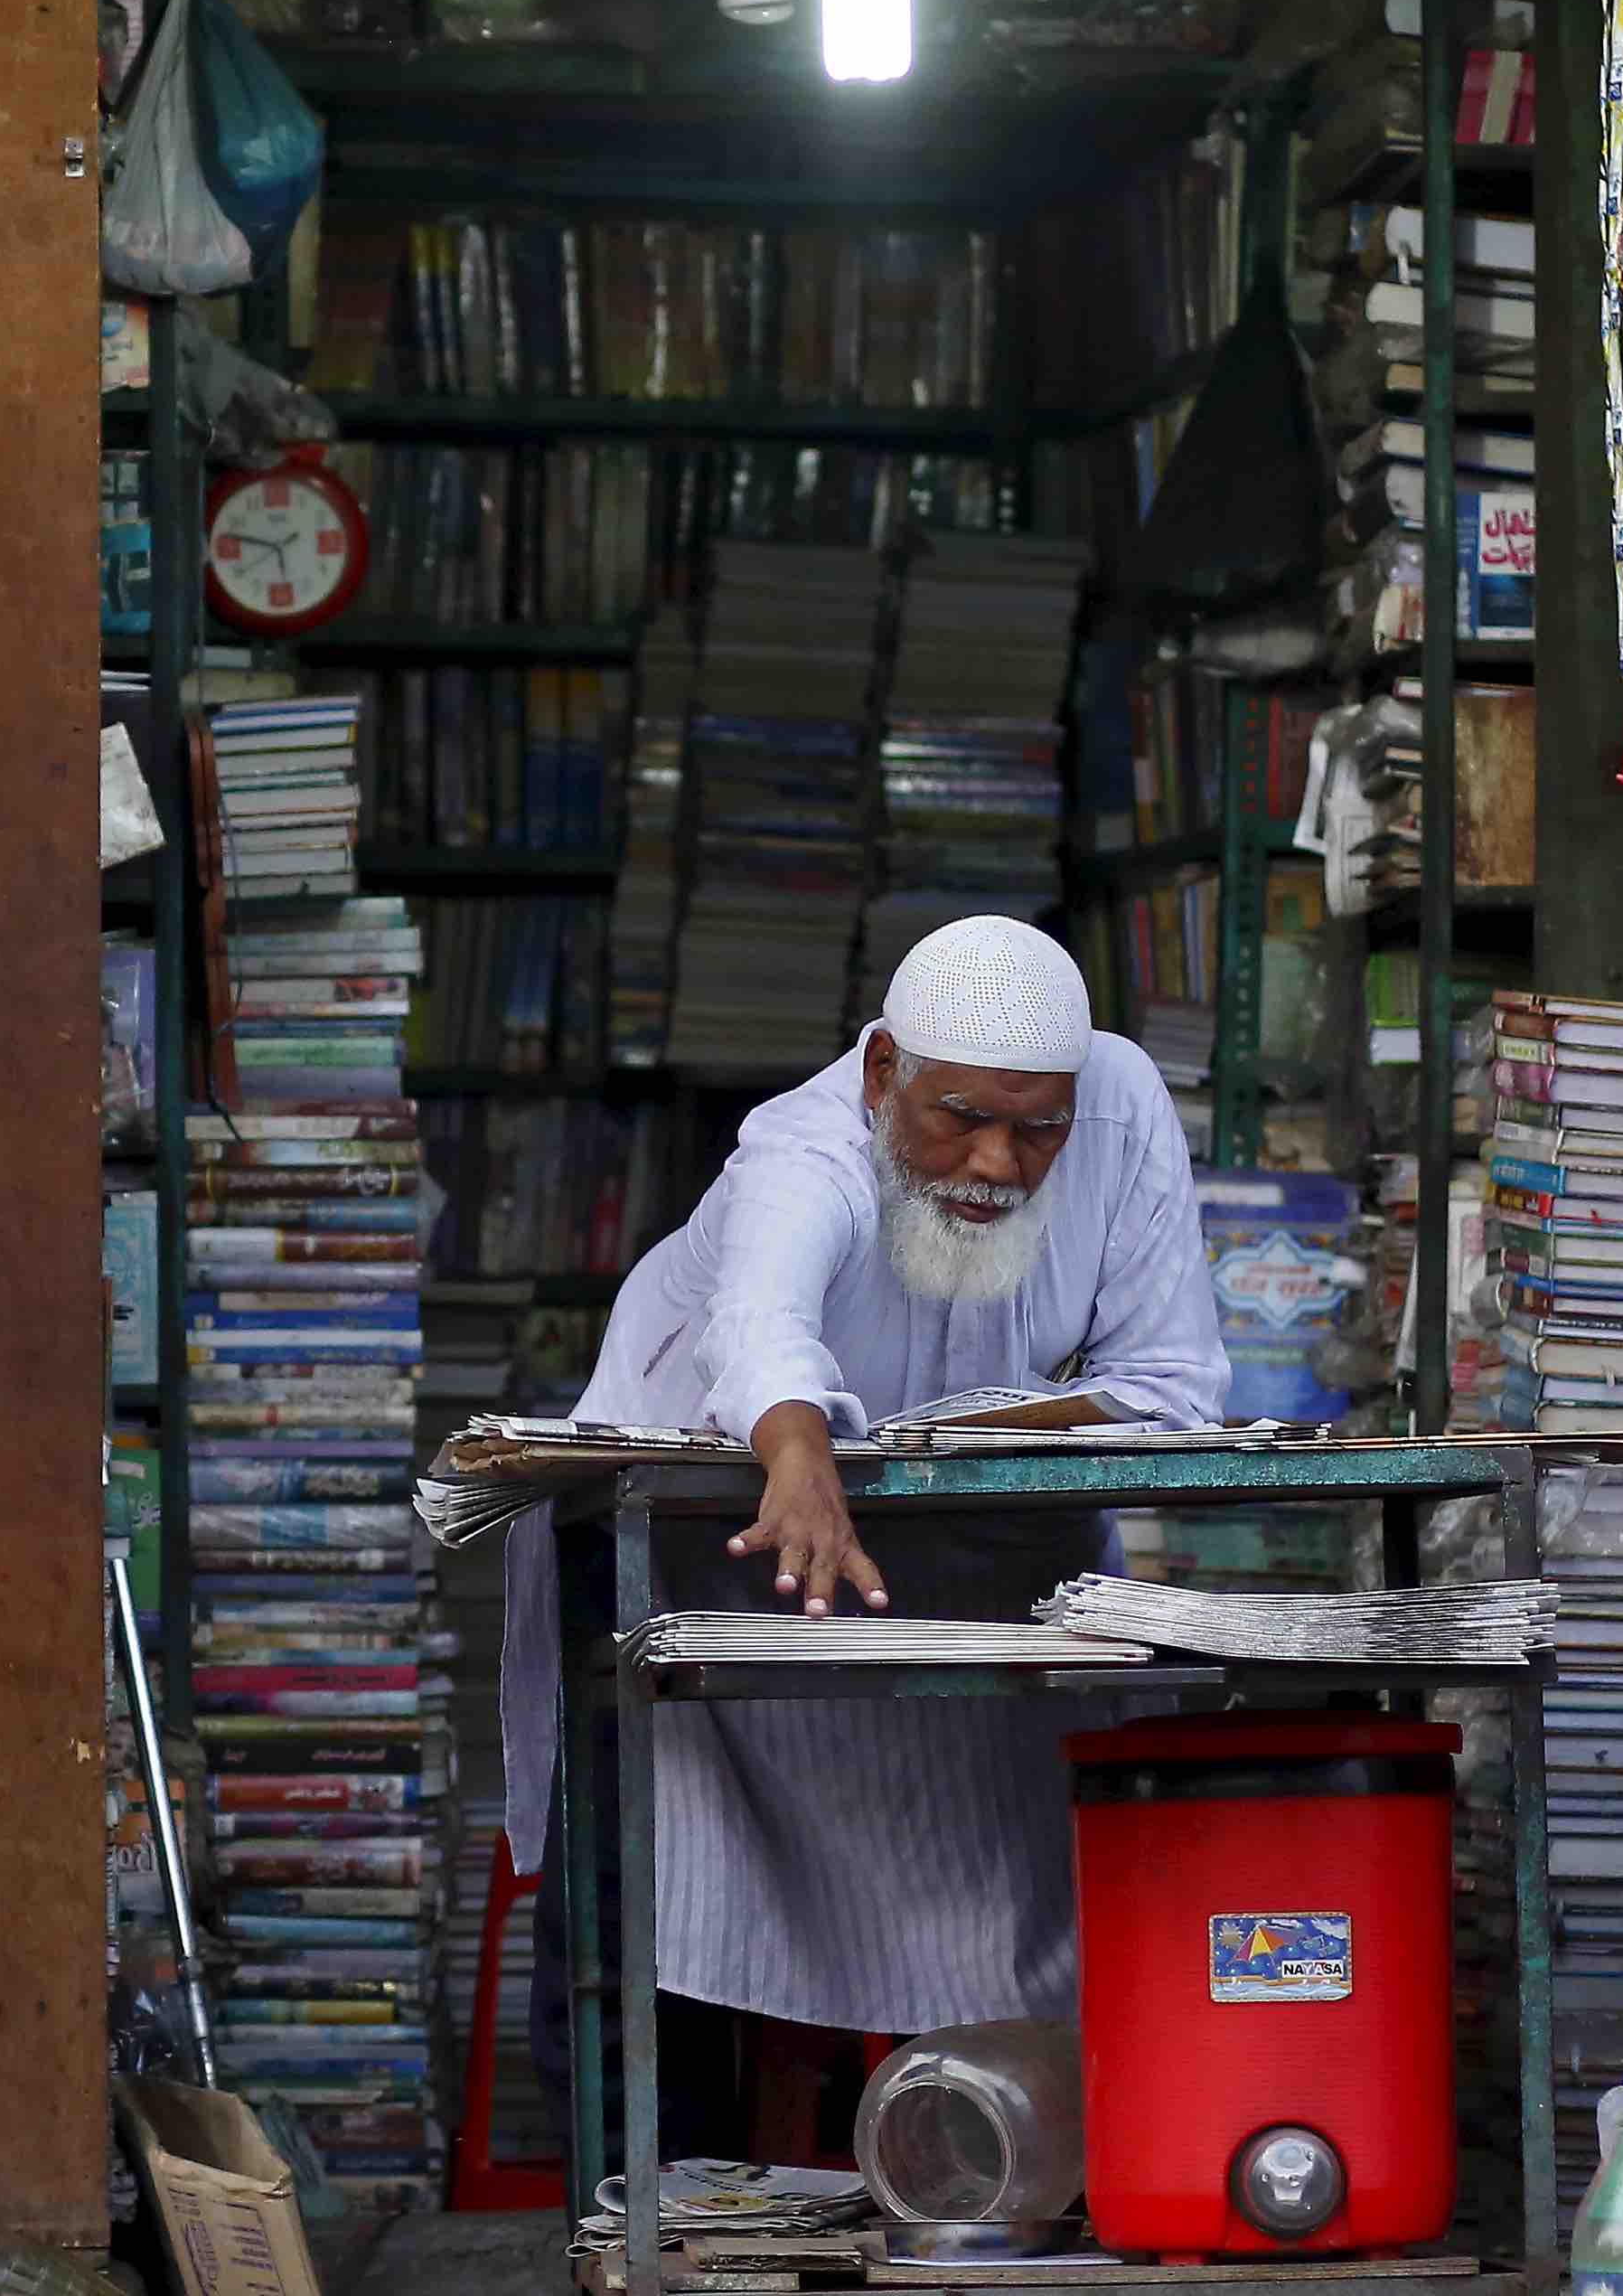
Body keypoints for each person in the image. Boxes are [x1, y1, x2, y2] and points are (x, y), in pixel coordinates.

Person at [506, 916, 1231, 2151]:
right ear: (885, 1070)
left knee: (1052, 1890)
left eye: (1036, 1128)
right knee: (644, 1935)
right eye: (960, 1120)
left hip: (947, 1528)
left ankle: (995, 2194)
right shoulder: (803, 1143)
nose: (998, 1163)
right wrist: (798, 1449)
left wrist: (915, 1439)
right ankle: (650, 2238)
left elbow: (1173, 1385)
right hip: (706, 1532)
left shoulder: (1119, 1105)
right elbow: (764, 1328)